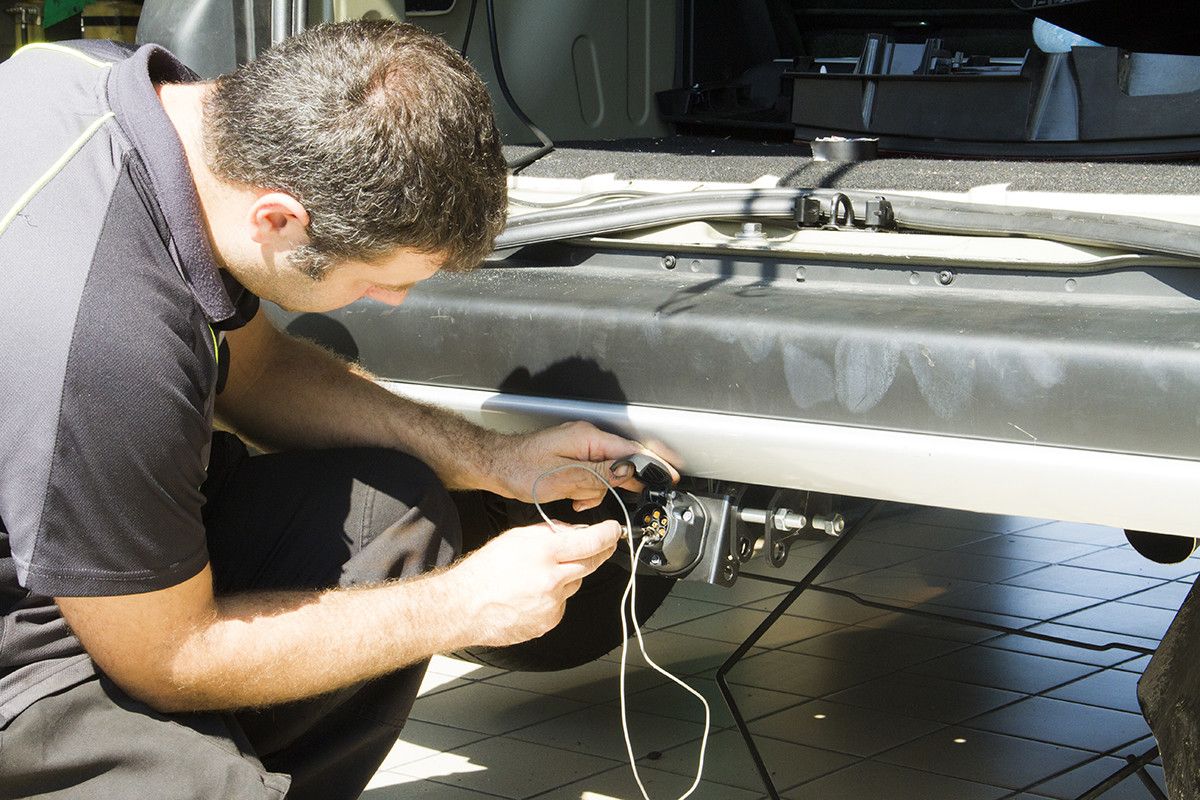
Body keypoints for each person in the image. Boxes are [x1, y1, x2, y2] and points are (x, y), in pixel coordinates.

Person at [0, 20, 676, 800]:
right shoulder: (108, 337)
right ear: (280, 219)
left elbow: (258, 372)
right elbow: (167, 658)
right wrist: (461, 607)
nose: (392, 301)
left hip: (59, 540)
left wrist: (495, 461)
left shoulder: (113, 92)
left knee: (392, 520)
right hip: (38, 635)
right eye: (378, 279)